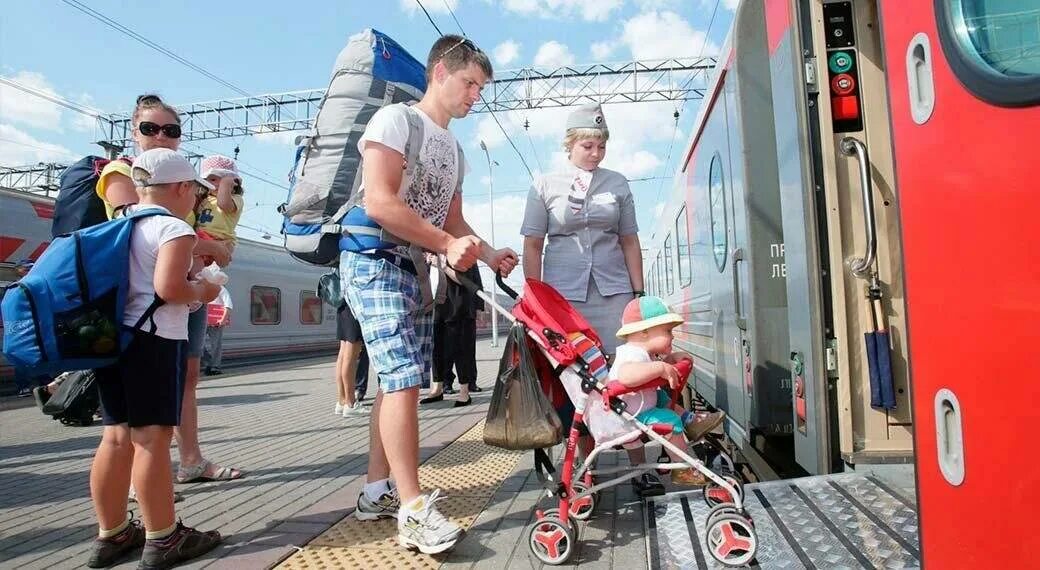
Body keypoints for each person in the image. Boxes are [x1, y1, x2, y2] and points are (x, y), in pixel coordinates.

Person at [341, 35, 517, 555]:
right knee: (402, 381)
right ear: (440, 72)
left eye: (480, 89)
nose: (474, 97)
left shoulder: (455, 149)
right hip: (372, 258)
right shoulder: (396, 121)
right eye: (470, 84)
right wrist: (446, 243)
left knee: (402, 384)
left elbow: (452, 220)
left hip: (413, 266)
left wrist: (487, 254)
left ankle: (377, 493)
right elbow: (379, 202)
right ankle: (414, 512)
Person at [86, 148, 222, 568]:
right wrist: (205, 290)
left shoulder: (119, 225)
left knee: (115, 437)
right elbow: (169, 290)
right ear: (182, 188)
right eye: (195, 194)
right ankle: (163, 537)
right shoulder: (173, 228)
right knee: (152, 440)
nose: (195, 203)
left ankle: (112, 534)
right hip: (153, 341)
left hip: (112, 343)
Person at [96, 94, 241, 484]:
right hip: (142, 306)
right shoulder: (123, 172)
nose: (161, 135)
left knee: (186, 377)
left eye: (171, 130)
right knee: (137, 418)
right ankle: (143, 488)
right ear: (133, 132)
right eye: (150, 128)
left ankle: (189, 460)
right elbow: (137, 222)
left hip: (181, 297)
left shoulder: (178, 177)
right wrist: (210, 247)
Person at [520, 103, 663, 494]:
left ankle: (640, 465)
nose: (596, 153)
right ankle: (588, 468)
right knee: (578, 382)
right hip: (563, 301)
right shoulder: (545, 184)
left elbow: (629, 240)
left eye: (601, 146)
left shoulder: (617, 183)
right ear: (570, 144)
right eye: (588, 145)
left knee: (628, 376)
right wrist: (534, 299)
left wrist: (638, 294)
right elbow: (532, 246)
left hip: (615, 293)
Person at [587, 295, 726, 487]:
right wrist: (660, 368)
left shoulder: (645, 353)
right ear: (644, 331)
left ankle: (691, 421)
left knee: (661, 397)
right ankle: (683, 469)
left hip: (635, 408)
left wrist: (669, 361)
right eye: (667, 331)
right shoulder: (631, 353)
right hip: (626, 416)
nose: (672, 336)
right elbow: (627, 376)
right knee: (669, 420)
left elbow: (647, 371)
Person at [422, 265, 483, 407]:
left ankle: (464, 391)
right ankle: (437, 388)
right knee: (436, 348)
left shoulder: (461, 251)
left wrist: (442, 265)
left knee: (460, 349)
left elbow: (468, 281)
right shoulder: (431, 251)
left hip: (457, 304)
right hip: (436, 304)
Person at [11, 259, 49, 397]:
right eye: (26, 268)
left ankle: (45, 383)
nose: (29, 270)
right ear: (18, 270)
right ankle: (24, 386)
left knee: (40, 354)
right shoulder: (15, 287)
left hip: (37, 326)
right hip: (22, 328)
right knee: (22, 357)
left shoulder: (36, 285)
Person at [196, 155, 245, 252]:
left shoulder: (236, 199)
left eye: (223, 180)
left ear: (235, 183)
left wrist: (225, 186)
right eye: (213, 180)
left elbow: (223, 204)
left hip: (221, 239)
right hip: (200, 236)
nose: (219, 184)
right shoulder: (204, 198)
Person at [335, 302, 369, 416]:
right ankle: (350, 404)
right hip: (353, 305)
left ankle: (342, 401)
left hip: (342, 306)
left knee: (343, 350)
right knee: (352, 351)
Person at [202, 286, 232, 376]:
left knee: (216, 345)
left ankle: (215, 366)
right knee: (198, 344)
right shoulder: (202, 287)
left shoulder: (221, 289)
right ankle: (209, 362)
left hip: (216, 322)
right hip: (203, 320)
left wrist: (223, 320)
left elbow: (228, 305)